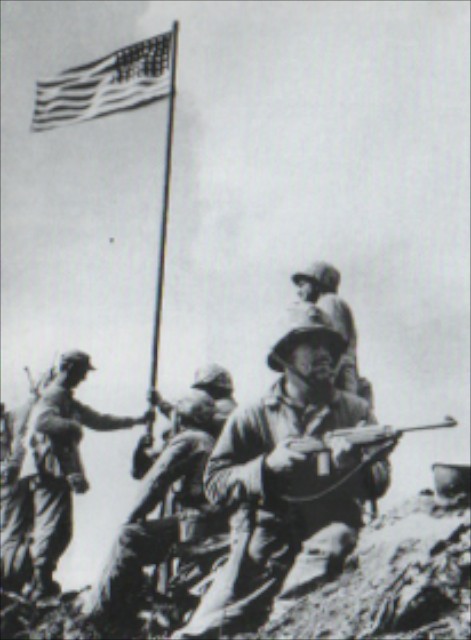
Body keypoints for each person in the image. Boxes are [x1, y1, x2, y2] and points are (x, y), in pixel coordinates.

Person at [172, 305, 392, 639]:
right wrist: (266, 467)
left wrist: (355, 466)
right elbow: (215, 483)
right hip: (267, 537)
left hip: (330, 530)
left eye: (330, 346)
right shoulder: (253, 414)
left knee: (297, 608)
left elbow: (379, 481)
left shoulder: (355, 410)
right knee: (199, 631)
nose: (325, 354)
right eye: (312, 344)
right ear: (286, 354)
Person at [0, 350, 151, 602]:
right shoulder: (54, 395)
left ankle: (42, 578)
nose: (83, 378)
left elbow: (98, 420)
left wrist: (134, 421)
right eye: (81, 371)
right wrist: (72, 426)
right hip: (48, 469)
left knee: (61, 529)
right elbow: (42, 422)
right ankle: (40, 583)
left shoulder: (66, 398)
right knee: (53, 525)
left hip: (53, 470)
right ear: (68, 367)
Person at [80, 389, 228, 625]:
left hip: (195, 519)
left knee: (128, 537)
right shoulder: (205, 440)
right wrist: (142, 451)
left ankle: (97, 614)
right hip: (206, 519)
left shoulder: (189, 440)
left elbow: (156, 479)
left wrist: (134, 515)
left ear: (181, 417)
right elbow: (145, 470)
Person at [291, 261, 360, 395]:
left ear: (316, 283)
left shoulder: (329, 302)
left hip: (337, 384)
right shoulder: (326, 304)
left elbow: (333, 347)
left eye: (302, 285)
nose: (299, 292)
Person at [150, 363, 237, 433]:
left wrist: (160, 403)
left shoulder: (224, 408)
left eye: (201, 388)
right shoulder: (225, 407)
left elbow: (196, 421)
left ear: (211, 387)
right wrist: (160, 403)